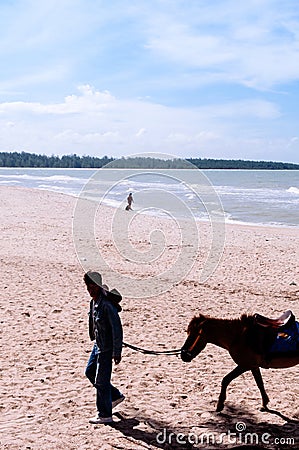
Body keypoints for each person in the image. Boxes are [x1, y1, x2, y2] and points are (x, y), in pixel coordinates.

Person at [84, 271, 125, 424]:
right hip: (98, 346)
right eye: (88, 286)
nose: (90, 289)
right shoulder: (93, 302)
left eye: (93, 286)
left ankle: (105, 415)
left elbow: (117, 329)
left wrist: (116, 351)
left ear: (99, 285)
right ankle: (114, 396)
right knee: (90, 372)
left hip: (107, 349)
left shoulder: (107, 305)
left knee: (101, 381)